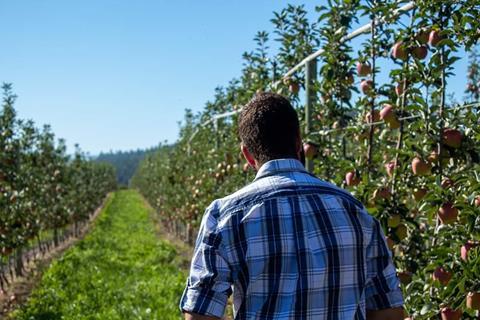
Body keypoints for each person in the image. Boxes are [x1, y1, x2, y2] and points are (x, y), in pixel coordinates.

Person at [179, 93, 404, 320]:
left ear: (247, 154)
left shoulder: (225, 217)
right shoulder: (355, 212)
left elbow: (201, 315)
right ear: (299, 143)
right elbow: (388, 312)